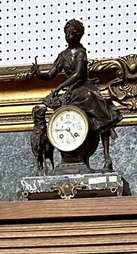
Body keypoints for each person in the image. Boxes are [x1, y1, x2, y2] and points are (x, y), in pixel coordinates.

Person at [30, 20, 121, 169]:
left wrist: (60, 86)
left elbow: (79, 74)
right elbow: (50, 74)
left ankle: (106, 145)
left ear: (78, 36)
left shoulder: (81, 53)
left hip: (84, 88)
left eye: (72, 33)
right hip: (71, 91)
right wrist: (39, 74)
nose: (68, 36)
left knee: (93, 99)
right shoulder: (62, 56)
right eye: (67, 33)